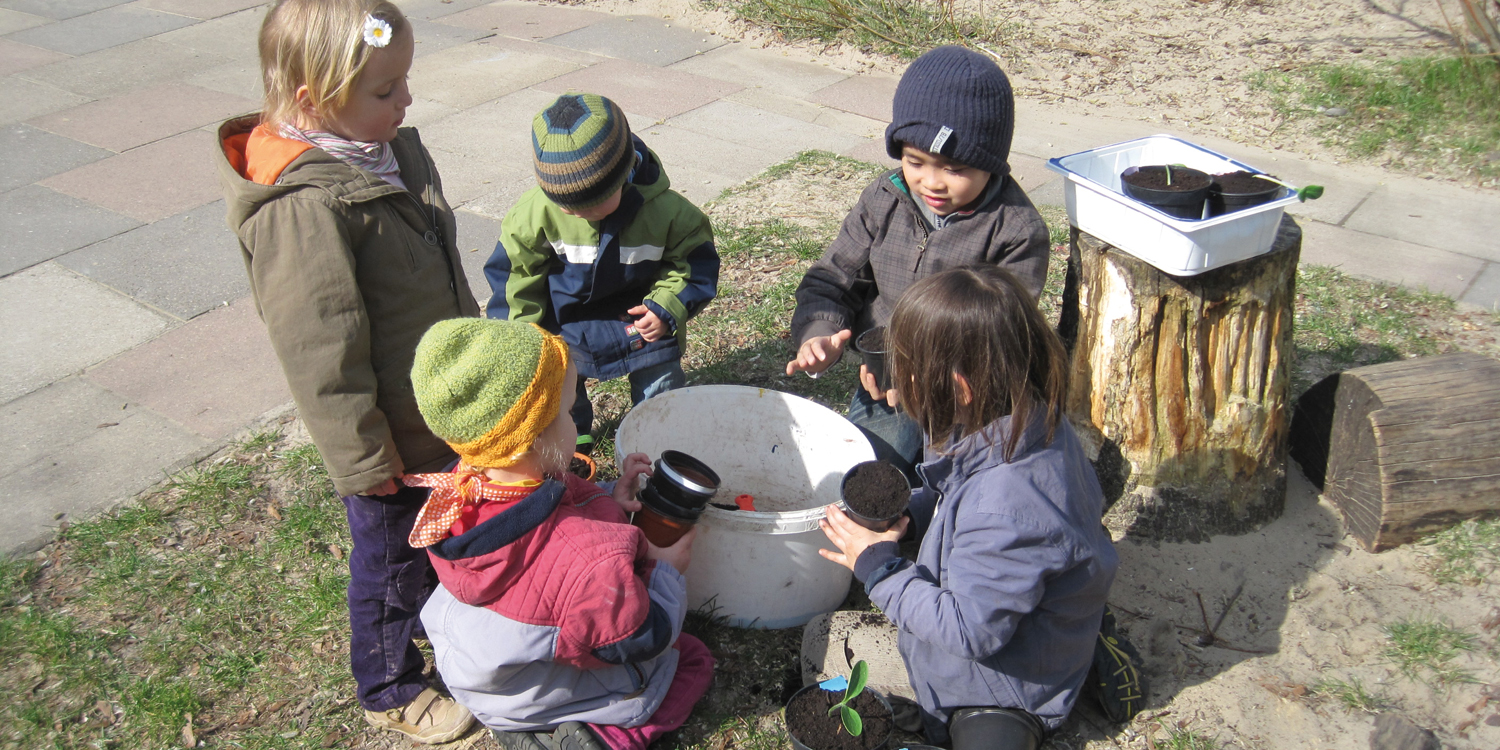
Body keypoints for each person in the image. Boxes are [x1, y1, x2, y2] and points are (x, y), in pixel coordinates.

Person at [215, 0, 479, 742]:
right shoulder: (302, 211)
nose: (407, 100)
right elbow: (318, 350)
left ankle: (440, 620)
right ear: (313, 101)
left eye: (405, 80)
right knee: (391, 559)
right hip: (391, 438)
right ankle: (389, 683)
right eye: (385, 89)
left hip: (436, 405)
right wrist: (365, 457)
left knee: (438, 534)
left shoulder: (380, 149)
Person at [813, 265, 1123, 750]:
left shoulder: (1009, 506)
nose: (897, 379)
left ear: (959, 386)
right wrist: (909, 515)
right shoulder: (1018, 420)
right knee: (830, 640)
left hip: (1005, 683)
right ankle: (1080, 633)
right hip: (1006, 610)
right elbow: (954, 495)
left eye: (907, 368)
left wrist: (878, 566)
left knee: (981, 735)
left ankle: (1028, 707)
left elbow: (969, 632)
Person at [401, 318, 714, 750]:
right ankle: (602, 738)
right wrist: (667, 573)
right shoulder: (586, 562)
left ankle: (526, 717)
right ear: (532, 438)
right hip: (523, 690)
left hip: (482, 666)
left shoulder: (469, 483)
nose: (575, 421)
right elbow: (641, 638)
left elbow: (559, 500)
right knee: (691, 658)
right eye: (568, 412)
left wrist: (607, 498)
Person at [784, 45, 1050, 482]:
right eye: (915, 162)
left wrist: (934, 379)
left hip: (965, 393)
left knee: (956, 485)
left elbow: (1002, 335)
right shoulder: (885, 198)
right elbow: (832, 278)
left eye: (955, 168)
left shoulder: (1015, 230)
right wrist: (820, 334)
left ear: (991, 164)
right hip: (885, 378)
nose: (932, 182)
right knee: (865, 475)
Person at [485, 93, 719, 457]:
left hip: (640, 317)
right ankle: (574, 438)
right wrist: (526, 336)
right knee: (560, 377)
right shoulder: (533, 215)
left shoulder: (668, 212)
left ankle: (659, 433)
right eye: (563, 203)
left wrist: (666, 306)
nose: (573, 213)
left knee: (659, 372)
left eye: (588, 205)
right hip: (569, 319)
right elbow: (516, 279)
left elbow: (693, 263)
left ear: (623, 175)